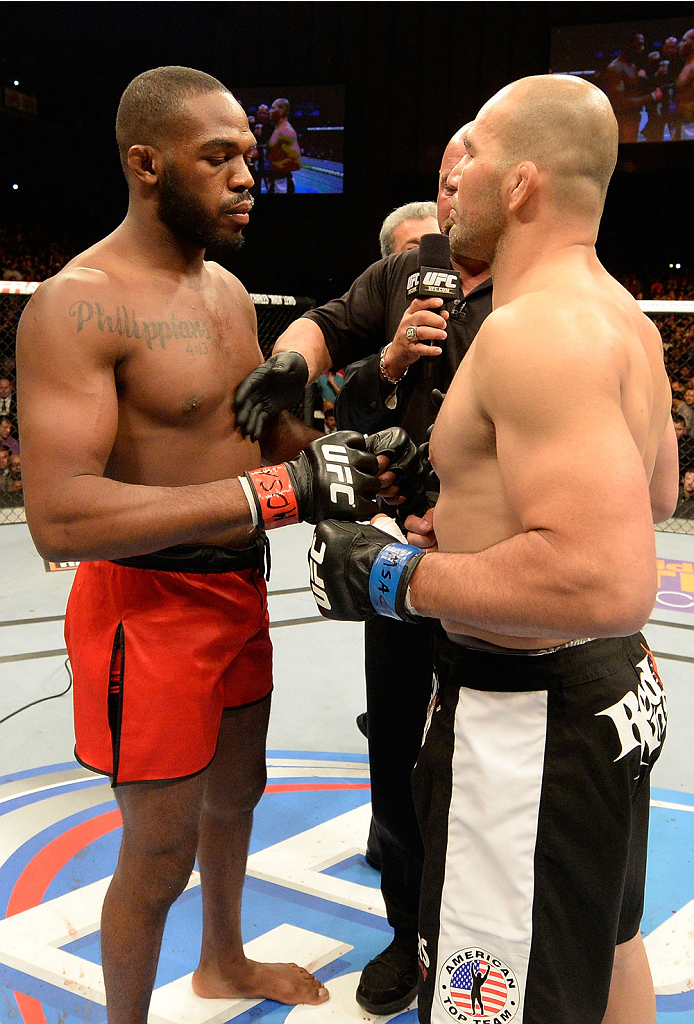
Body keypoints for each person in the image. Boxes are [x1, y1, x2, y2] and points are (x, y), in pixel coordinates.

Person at [15, 65, 419, 1024]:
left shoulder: (231, 293)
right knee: (155, 856)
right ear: (147, 164)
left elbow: (260, 434)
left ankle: (223, 961)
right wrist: (276, 489)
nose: (250, 175)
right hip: (143, 610)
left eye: (249, 153)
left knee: (239, 791)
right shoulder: (75, 306)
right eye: (221, 157)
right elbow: (60, 516)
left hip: (237, 586)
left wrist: (343, 463)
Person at [308, 74, 678, 1024]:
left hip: (528, 723)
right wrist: (468, 521)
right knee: (608, 940)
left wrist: (395, 574)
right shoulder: (623, 317)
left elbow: (605, 577)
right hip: (601, 696)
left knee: (489, 1000)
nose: (449, 177)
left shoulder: (532, 331)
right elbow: (656, 496)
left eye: (467, 152)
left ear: (520, 185)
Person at [234, 128, 492, 1016]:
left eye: (469, 180)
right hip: (395, 563)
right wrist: (290, 363)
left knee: (484, 765)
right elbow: (326, 321)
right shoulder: (406, 272)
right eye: (441, 182)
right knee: (395, 753)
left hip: (493, 569)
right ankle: (403, 938)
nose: (452, 198)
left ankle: (473, 940)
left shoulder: (536, 290)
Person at [267, 97, 302, 193]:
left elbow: (296, 163)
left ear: (282, 111)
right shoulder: (277, 129)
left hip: (282, 184)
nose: (270, 111)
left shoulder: (286, 131)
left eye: (273, 108)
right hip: (275, 180)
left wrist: (271, 166)